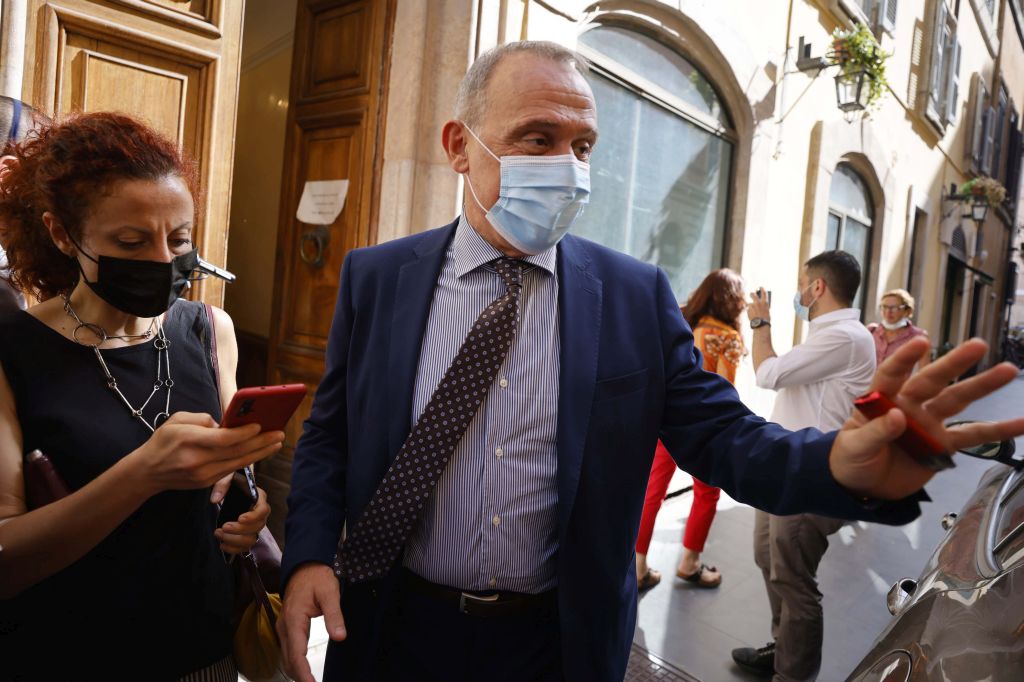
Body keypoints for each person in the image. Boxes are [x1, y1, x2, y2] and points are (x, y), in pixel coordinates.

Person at [276, 41, 1024, 682]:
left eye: (583, 146)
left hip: (558, 642)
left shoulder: (632, 296)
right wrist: (308, 554)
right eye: (537, 138)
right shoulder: (379, 277)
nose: (567, 166)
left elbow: (723, 436)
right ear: (458, 147)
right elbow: (330, 435)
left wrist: (836, 465)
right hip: (393, 625)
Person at [0, 112, 286, 681]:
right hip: (61, 657)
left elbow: (228, 485)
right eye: (130, 242)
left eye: (179, 240)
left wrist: (245, 511)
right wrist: (145, 472)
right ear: (62, 234)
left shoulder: (210, 331)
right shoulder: (12, 350)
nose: (162, 261)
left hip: (203, 654)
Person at [733, 250, 876, 680]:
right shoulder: (825, 334)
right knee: (766, 555)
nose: (798, 293)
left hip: (813, 476)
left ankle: (792, 674)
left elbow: (768, 374)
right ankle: (783, 647)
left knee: (793, 579)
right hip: (786, 467)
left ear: (818, 287)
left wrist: (760, 322)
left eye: (802, 284)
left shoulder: (844, 337)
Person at [635, 269, 748, 591]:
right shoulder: (728, 337)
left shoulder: (683, 323)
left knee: (652, 492)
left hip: (666, 418)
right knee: (707, 492)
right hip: (704, 427)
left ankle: (638, 567)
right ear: (732, 300)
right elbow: (723, 388)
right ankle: (690, 563)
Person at [868, 288, 931, 368]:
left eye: (894, 308)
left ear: (907, 311)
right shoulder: (871, 330)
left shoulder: (919, 336)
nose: (888, 311)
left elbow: (924, 369)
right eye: (884, 307)